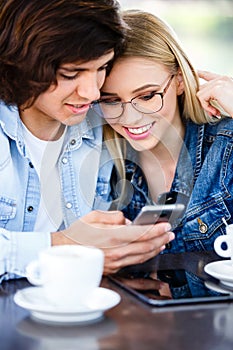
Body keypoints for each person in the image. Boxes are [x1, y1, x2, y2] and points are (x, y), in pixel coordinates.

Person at [0, 1, 174, 282]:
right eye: (71, 74)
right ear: (21, 63)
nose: (92, 92)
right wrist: (59, 246)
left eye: (102, 67)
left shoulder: (102, 116)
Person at [94, 10, 233, 296]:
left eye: (146, 96)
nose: (130, 118)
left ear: (180, 80)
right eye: (111, 100)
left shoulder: (226, 145)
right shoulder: (101, 164)